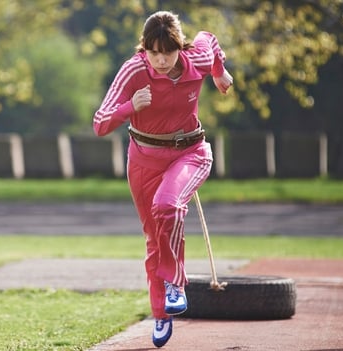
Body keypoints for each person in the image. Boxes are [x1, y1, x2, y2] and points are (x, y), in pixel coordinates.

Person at [93, 11, 233, 348]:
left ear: (179, 47)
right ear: (144, 49)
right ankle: (161, 313)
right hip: (144, 160)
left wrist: (219, 73)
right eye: (153, 52)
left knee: (168, 205)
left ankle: (175, 283)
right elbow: (99, 123)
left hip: (191, 154)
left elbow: (209, 41)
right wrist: (129, 106)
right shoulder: (134, 69)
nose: (160, 60)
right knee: (155, 239)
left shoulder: (193, 57)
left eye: (167, 52)